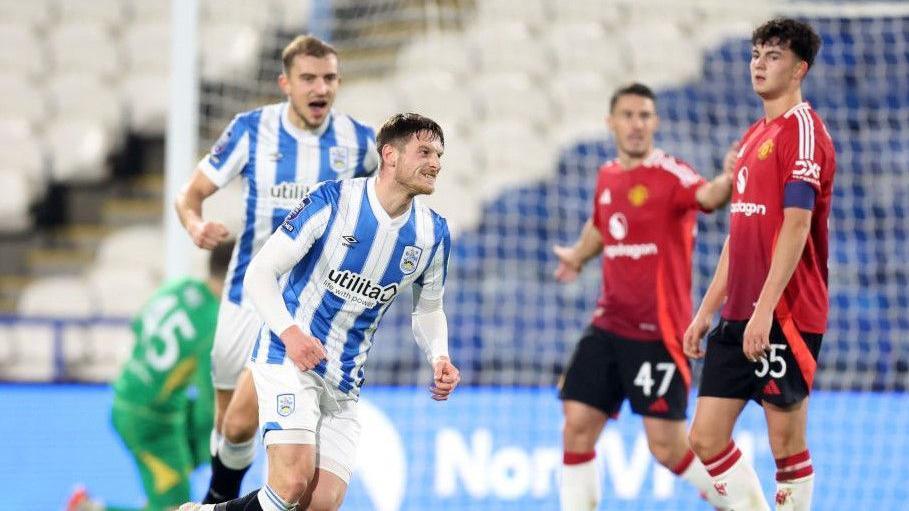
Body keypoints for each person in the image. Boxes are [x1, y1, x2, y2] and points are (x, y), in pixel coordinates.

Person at [179, 113, 460, 511]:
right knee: (292, 481)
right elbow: (260, 273)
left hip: (344, 379)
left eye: (440, 155)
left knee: (320, 504)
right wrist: (290, 334)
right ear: (390, 156)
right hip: (288, 357)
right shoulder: (333, 201)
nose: (436, 163)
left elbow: (429, 310)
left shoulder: (434, 234)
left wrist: (439, 355)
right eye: (425, 152)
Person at [174, 35, 379, 504]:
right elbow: (189, 194)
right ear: (286, 83)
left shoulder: (361, 142)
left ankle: (214, 504)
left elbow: (388, 194)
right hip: (248, 292)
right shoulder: (251, 129)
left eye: (328, 78)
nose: (320, 87)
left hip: (307, 306)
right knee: (231, 426)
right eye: (308, 78)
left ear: (338, 82)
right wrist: (194, 223)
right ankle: (219, 497)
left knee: (257, 424)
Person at [554, 83, 736, 511]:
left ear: (654, 123)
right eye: (628, 115)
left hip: (657, 333)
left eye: (644, 116)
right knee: (576, 424)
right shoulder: (607, 175)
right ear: (611, 122)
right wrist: (578, 256)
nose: (636, 124)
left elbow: (708, 196)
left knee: (667, 447)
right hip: (608, 324)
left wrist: (730, 177)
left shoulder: (670, 174)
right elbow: (603, 223)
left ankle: (736, 502)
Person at [683, 18, 834, 511]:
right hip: (737, 315)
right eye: (755, 54)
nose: (759, 64)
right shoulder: (752, 137)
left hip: (784, 315)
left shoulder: (804, 133)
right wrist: (706, 311)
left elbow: (795, 225)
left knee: (785, 447)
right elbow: (741, 232)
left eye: (773, 56)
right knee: (704, 438)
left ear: (799, 69)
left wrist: (766, 310)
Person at [67, 241, 235, 511]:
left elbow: (138, 325)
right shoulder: (214, 324)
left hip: (132, 397)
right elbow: (211, 401)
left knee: (166, 499)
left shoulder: (179, 288)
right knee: (176, 506)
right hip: (153, 424)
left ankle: (88, 508)